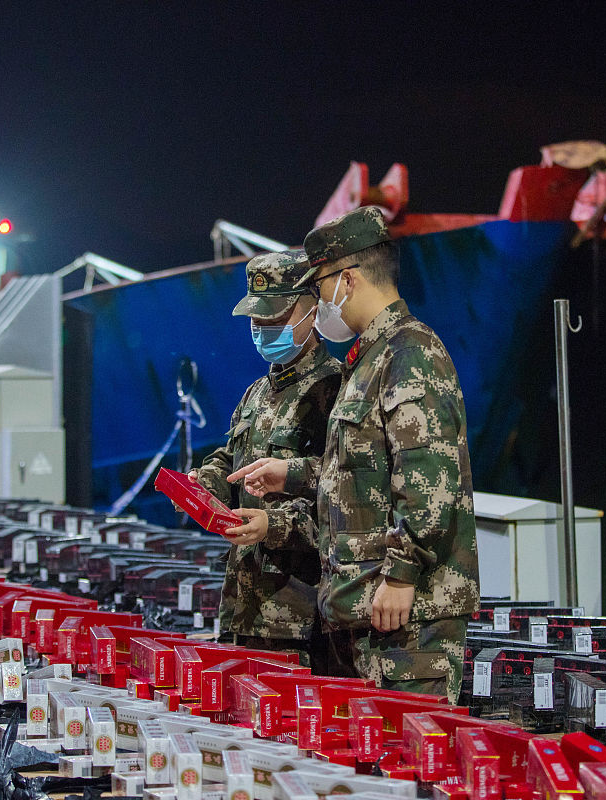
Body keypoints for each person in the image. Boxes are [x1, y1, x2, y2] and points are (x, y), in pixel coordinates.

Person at [228, 207, 479, 701]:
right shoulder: (369, 359)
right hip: (362, 607)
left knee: (409, 760)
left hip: (408, 615)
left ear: (347, 279)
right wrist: (292, 475)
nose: (321, 304)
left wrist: (403, 573)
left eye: (319, 289)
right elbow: (359, 470)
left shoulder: (411, 353)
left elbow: (431, 479)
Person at [192, 249, 341, 667]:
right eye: (256, 321)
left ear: (311, 310)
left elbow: (348, 503)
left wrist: (271, 526)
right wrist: (204, 484)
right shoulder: (257, 393)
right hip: (244, 607)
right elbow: (231, 461)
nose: (262, 330)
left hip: (299, 615)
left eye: (274, 318)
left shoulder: (334, 393)